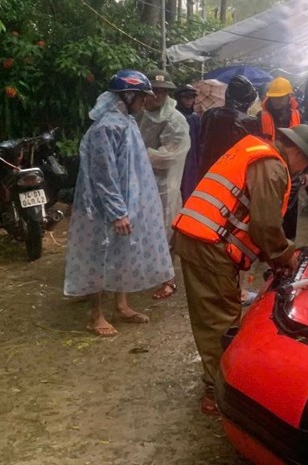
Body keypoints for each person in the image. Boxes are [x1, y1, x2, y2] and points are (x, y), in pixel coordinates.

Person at [173, 124, 308, 416]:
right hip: (209, 244)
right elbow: (265, 225)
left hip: (198, 236)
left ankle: (216, 383)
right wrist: (285, 256)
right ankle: (216, 392)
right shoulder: (272, 166)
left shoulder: (253, 150)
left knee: (211, 314)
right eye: (305, 163)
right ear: (296, 152)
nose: (301, 170)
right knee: (220, 319)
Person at [63, 70, 174, 337]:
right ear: (128, 94)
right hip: (105, 209)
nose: (146, 102)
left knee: (122, 254)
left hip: (127, 205)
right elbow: (104, 174)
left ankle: (122, 305)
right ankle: (96, 315)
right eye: (143, 97)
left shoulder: (126, 122)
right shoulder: (106, 127)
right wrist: (116, 212)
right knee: (101, 256)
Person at [136, 70, 190, 300]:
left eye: (162, 91)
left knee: (165, 229)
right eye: (153, 91)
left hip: (163, 184)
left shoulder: (175, 119)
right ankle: (146, 269)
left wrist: (137, 152)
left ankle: (168, 279)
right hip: (139, 181)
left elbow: (169, 156)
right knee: (142, 228)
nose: (157, 96)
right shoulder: (138, 112)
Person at [257, 76, 304, 240]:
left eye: (280, 97)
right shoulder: (260, 117)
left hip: (292, 170)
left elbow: (304, 146)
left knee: (290, 211)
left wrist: (307, 172)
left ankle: (288, 243)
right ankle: (268, 244)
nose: (276, 101)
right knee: (269, 209)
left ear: (289, 97)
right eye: (274, 98)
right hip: (268, 168)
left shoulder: (298, 115)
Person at [198, 75, 259, 175]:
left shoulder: (210, 114)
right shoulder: (249, 122)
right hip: (233, 175)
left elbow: (201, 141)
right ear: (248, 102)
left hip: (207, 171)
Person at [176, 84, 203, 201]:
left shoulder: (195, 118)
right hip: (176, 156)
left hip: (191, 159)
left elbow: (200, 141)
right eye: (186, 97)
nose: (189, 100)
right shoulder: (174, 116)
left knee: (190, 187)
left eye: (192, 98)